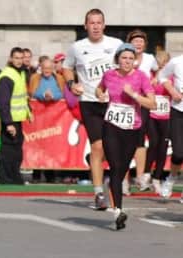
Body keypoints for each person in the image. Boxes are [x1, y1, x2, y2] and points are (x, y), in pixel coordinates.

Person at [63, 8, 123, 210]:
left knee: (114, 148)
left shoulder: (115, 44)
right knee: (97, 147)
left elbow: (127, 66)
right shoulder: (77, 47)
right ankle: (98, 193)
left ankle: (111, 180)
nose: (96, 26)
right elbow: (66, 67)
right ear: (85, 26)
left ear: (104, 25)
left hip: (114, 102)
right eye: (92, 23)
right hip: (89, 102)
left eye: (99, 23)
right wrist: (72, 84)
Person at [95, 43, 156, 229]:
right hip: (111, 126)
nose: (127, 61)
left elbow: (152, 104)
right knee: (115, 165)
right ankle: (118, 212)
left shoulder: (141, 77)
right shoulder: (109, 75)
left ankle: (110, 185)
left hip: (132, 128)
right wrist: (101, 95)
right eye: (124, 58)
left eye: (131, 58)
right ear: (117, 59)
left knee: (121, 168)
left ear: (135, 61)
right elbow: (99, 88)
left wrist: (134, 95)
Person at [123, 29, 159, 193]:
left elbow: (158, 70)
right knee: (124, 140)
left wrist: (155, 78)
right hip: (124, 102)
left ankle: (140, 178)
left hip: (142, 101)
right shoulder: (124, 57)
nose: (138, 44)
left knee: (140, 139)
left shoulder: (150, 58)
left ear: (145, 44)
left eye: (141, 41)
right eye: (135, 41)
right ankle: (123, 180)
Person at [0, 47, 32, 184]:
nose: (19, 61)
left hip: (16, 119)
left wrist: (28, 111)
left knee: (16, 151)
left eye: (21, 58)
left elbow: (21, 97)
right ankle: (7, 179)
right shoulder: (7, 76)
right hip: (10, 121)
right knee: (9, 152)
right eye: (16, 58)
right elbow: (3, 103)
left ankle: (14, 178)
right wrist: (8, 123)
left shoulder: (20, 73)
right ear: (11, 58)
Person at [144, 50, 172, 194]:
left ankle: (157, 178)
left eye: (165, 62)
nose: (162, 65)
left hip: (166, 116)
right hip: (152, 115)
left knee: (163, 147)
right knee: (153, 142)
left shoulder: (171, 77)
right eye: (160, 62)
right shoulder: (149, 75)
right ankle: (146, 173)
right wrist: (153, 80)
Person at [159, 51, 183, 202]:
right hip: (178, 110)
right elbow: (162, 76)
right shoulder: (176, 61)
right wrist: (172, 91)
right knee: (179, 153)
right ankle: (171, 177)